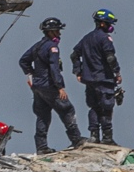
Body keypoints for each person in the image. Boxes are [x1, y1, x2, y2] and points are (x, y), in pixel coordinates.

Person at [19, 17, 85, 154]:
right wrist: (60, 87)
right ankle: (77, 139)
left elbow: (23, 61)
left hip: (37, 86)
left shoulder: (37, 46)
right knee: (67, 109)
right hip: (49, 86)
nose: (59, 34)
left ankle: (41, 147)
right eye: (57, 31)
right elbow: (54, 69)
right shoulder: (52, 48)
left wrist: (32, 75)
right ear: (50, 32)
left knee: (43, 116)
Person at [70, 9, 122, 145]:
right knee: (106, 108)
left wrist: (78, 72)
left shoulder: (86, 38)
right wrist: (117, 73)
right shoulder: (105, 39)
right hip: (104, 79)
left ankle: (94, 135)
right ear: (103, 24)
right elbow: (110, 58)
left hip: (89, 80)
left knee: (93, 107)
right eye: (110, 24)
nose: (112, 27)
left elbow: (74, 55)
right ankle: (107, 137)